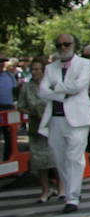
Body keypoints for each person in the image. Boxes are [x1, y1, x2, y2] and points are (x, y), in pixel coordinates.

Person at [38, 34, 90, 213]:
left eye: (66, 44)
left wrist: (55, 89)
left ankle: (72, 197)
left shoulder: (85, 64)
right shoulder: (50, 68)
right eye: (59, 45)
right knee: (60, 159)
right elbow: (42, 91)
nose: (63, 47)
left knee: (74, 158)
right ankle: (73, 188)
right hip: (55, 118)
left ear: (73, 45)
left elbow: (78, 87)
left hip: (78, 118)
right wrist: (63, 91)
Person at [16, 57, 59, 202]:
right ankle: (45, 190)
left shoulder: (51, 85)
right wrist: (31, 111)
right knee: (40, 161)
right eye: (32, 69)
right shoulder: (27, 87)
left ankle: (62, 187)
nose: (34, 72)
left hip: (52, 125)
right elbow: (20, 105)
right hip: (36, 126)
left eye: (37, 69)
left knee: (56, 158)